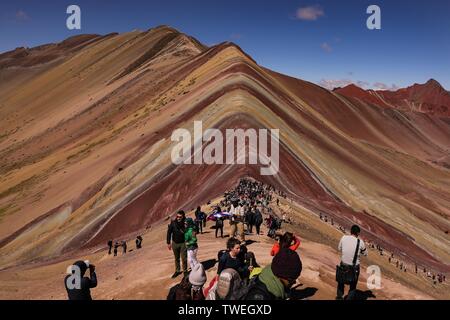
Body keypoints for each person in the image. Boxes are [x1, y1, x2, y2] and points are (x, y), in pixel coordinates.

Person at [336, 225, 368, 300]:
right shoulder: (360, 242)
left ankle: (339, 297)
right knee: (353, 285)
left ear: (350, 231)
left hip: (343, 265)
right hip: (354, 268)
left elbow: (339, 248)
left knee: (341, 282)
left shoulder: (343, 237)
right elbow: (366, 253)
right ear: (358, 233)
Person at [167, 210, 188, 278]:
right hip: (175, 243)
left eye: (180, 217)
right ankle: (177, 271)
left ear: (183, 217)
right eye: (177, 216)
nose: (178, 218)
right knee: (176, 258)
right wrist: (168, 243)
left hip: (183, 243)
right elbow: (169, 232)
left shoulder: (185, 223)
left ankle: (185, 271)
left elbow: (190, 231)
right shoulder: (173, 223)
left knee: (184, 258)